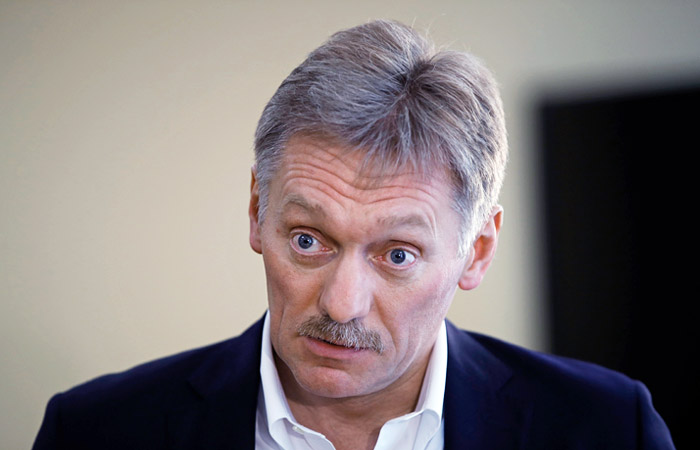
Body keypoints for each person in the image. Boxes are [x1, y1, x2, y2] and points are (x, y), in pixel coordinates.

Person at [32, 19, 674, 450]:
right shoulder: (94, 432)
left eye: (397, 254)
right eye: (308, 240)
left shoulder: (608, 429)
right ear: (257, 211)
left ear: (476, 251)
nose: (341, 305)